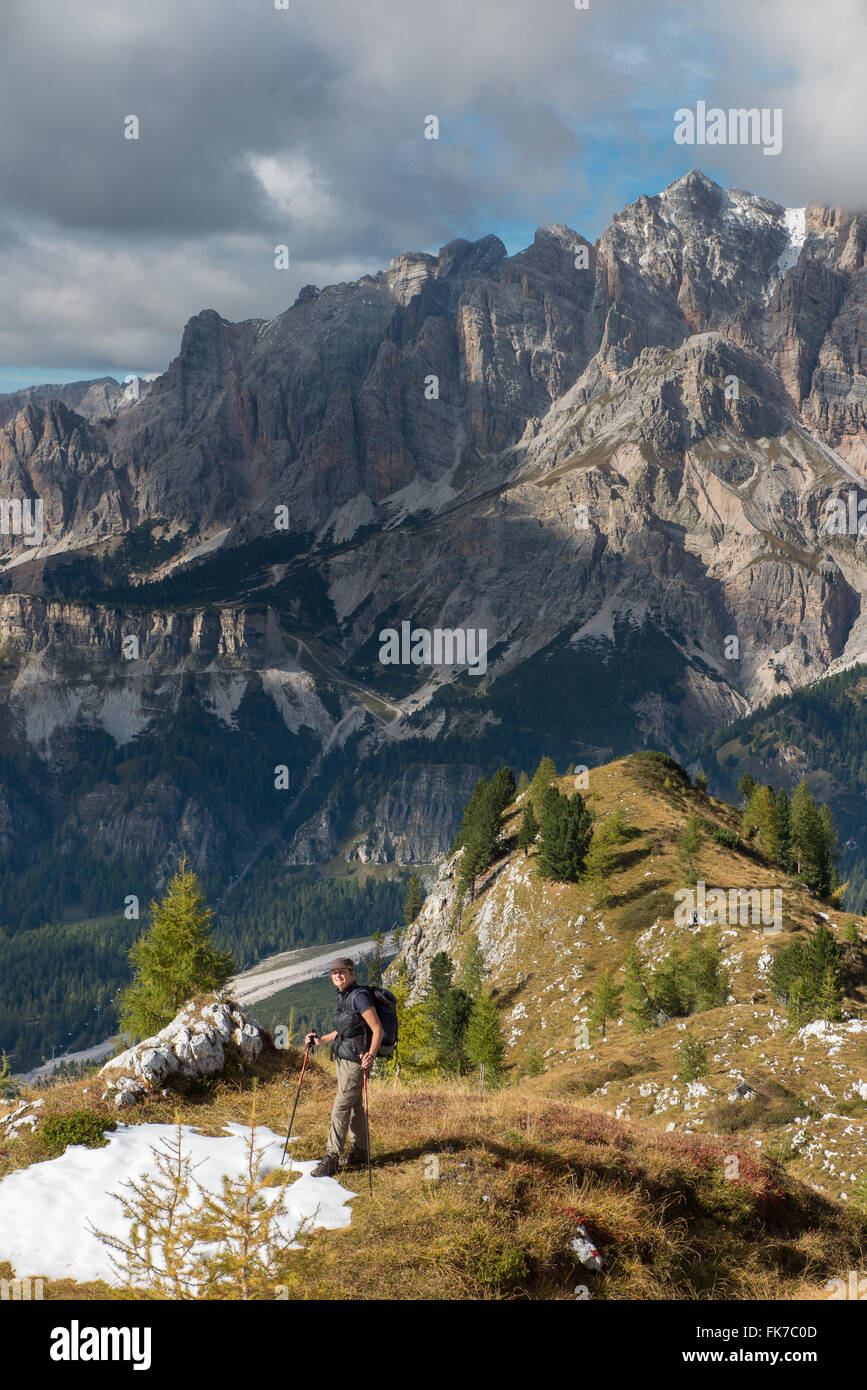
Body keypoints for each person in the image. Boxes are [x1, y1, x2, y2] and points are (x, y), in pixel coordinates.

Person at [306, 957, 383, 1178]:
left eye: (342, 972)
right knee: (355, 1106)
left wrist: (371, 1055)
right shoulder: (344, 996)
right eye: (334, 972)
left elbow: (376, 1028)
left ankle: (331, 1158)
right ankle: (361, 1151)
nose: (338, 975)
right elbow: (342, 1031)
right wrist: (319, 1041)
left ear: (352, 974)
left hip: (356, 1062)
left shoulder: (359, 997)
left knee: (340, 1108)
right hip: (343, 1060)